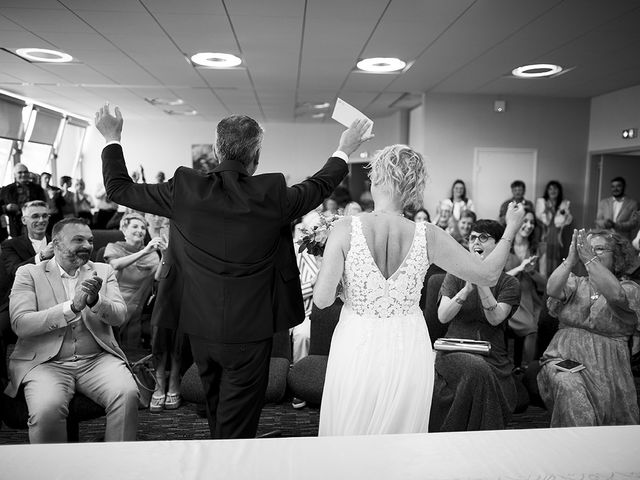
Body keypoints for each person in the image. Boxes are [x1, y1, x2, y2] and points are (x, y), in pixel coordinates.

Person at [95, 104, 373, 439]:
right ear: (256, 154)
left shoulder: (184, 188)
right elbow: (318, 185)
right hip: (251, 329)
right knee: (239, 418)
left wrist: (112, 137)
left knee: (215, 402)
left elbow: (119, 189)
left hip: (198, 324)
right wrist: (344, 148)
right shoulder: (272, 194)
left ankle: (222, 454)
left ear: (216, 150)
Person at [314, 144, 525, 436]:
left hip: (357, 340)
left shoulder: (345, 227)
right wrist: (510, 230)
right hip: (408, 345)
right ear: (413, 187)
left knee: (351, 429)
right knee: (401, 437)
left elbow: (322, 300)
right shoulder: (430, 235)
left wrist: (348, 287)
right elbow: (488, 275)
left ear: (377, 180)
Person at [4, 217, 139, 443]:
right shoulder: (29, 273)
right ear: (56, 243)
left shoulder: (103, 271)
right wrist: (71, 307)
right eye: (78, 240)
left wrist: (96, 301)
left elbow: (119, 316)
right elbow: (21, 323)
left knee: (127, 393)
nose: (87, 245)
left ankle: (118, 464)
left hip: (96, 359)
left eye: (90, 240)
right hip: (45, 363)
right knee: (47, 409)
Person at [538, 228, 640, 427]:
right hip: (562, 360)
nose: (591, 253)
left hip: (608, 370)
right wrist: (570, 259)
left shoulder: (631, 289)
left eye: (599, 249)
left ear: (617, 256)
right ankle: (574, 450)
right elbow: (551, 289)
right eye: (587, 248)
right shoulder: (575, 283)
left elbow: (616, 296)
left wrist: (589, 257)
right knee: (569, 386)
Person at [431, 220, 521, 432]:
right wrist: (465, 290)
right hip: (453, 349)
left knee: (479, 368)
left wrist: (481, 280)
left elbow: (496, 318)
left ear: (499, 246)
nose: (475, 242)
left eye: (483, 237)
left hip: (492, 355)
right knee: (474, 368)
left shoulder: (509, 283)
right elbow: (443, 316)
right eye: (472, 238)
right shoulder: (455, 275)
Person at [103, 212, 164, 351]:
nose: (140, 230)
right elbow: (116, 265)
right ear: (124, 230)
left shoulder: (152, 254)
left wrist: (164, 255)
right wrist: (143, 252)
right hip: (114, 300)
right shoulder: (113, 247)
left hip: (138, 305)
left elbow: (157, 278)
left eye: (143, 228)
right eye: (135, 226)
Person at [0, 201, 54, 343]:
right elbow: (14, 271)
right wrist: (41, 256)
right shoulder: (10, 245)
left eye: (44, 216)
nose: (41, 220)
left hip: (56, 296)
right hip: (21, 298)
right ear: (24, 220)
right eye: (35, 216)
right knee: (2, 326)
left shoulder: (60, 242)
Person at [505, 207, 546, 370]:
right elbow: (495, 278)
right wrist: (520, 268)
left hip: (531, 298)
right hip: (509, 297)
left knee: (536, 326)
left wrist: (532, 271)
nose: (528, 225)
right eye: (525, 221)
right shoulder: (504, 245)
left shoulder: (539, 248)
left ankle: (527, 369)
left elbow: (545, 282)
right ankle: (516, 366)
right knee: (530, 326)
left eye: (532, 222)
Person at [536, 180, 573, 277]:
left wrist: (565, 213)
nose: (553, 191)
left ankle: (555, 282)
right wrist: (546, 210)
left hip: (558, 237)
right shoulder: (542, 201)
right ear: (547, 191)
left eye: (555, 188)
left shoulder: (564, 203)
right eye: (550, 188)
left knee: (557, 259)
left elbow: (568, 220)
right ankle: (543, 286)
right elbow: (539, 217)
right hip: (545, 235)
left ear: (559, 191)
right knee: (543, 260)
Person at [0, 163, 46, 240]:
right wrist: (6, 208)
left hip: (35, 224)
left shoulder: (37, 188)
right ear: (14, 175)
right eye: (20, 172)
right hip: (16, 226)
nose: (23, 174)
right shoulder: (6, 190)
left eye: (25, 172)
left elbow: (43, 204)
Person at [595, 176, 639, 241]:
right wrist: (605, 223)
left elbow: (633, 223)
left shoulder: (633, 203)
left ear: (624, 186)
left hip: (623, 241)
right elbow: (598, 221)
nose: (615, 189)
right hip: (605, 239)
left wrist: (615, 225)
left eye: (618, 186)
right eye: (613, 186)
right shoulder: (603, 202)